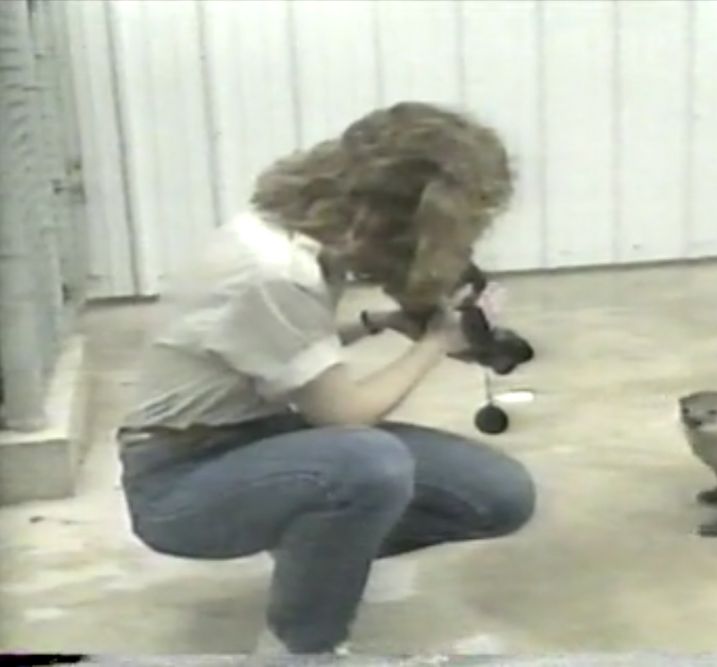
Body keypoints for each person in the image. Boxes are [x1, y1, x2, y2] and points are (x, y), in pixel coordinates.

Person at [115, 102, 537, 655]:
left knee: (499, 495)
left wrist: (378, 324)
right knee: (366, 464)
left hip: (258, 437)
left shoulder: (296, 240)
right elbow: (345, 415)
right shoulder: (272, 269)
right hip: (180, 480)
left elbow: (278, 350)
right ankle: (302, 647)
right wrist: (437, 342)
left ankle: (318, 550)